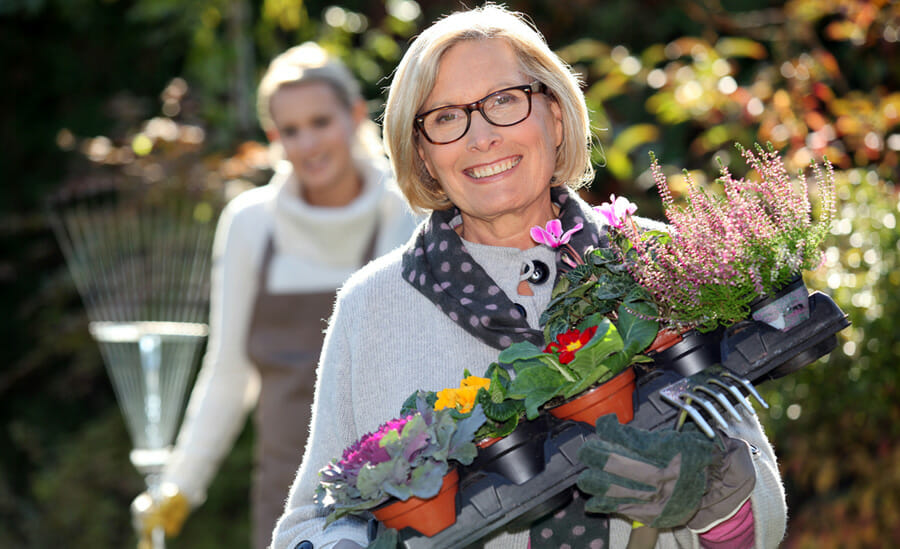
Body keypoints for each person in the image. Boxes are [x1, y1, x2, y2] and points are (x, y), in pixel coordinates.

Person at [272, 5, 787, 549]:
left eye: (504, 102)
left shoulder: (661, 265)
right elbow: (314, 519)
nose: (482, 137)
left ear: (556, 115)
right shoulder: (372, 308)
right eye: (446, 117)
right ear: (422, 154)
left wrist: (712, 503)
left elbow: (763, 515)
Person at [130, 42, 419, 549]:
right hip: (286, 497)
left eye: (320, 122)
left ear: (354, 116)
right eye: (290, 130)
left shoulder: (405, 213)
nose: (307, 144)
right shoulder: (250, 224)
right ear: (273, 138)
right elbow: (228, 372)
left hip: (401, 493)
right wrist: (181, 485)